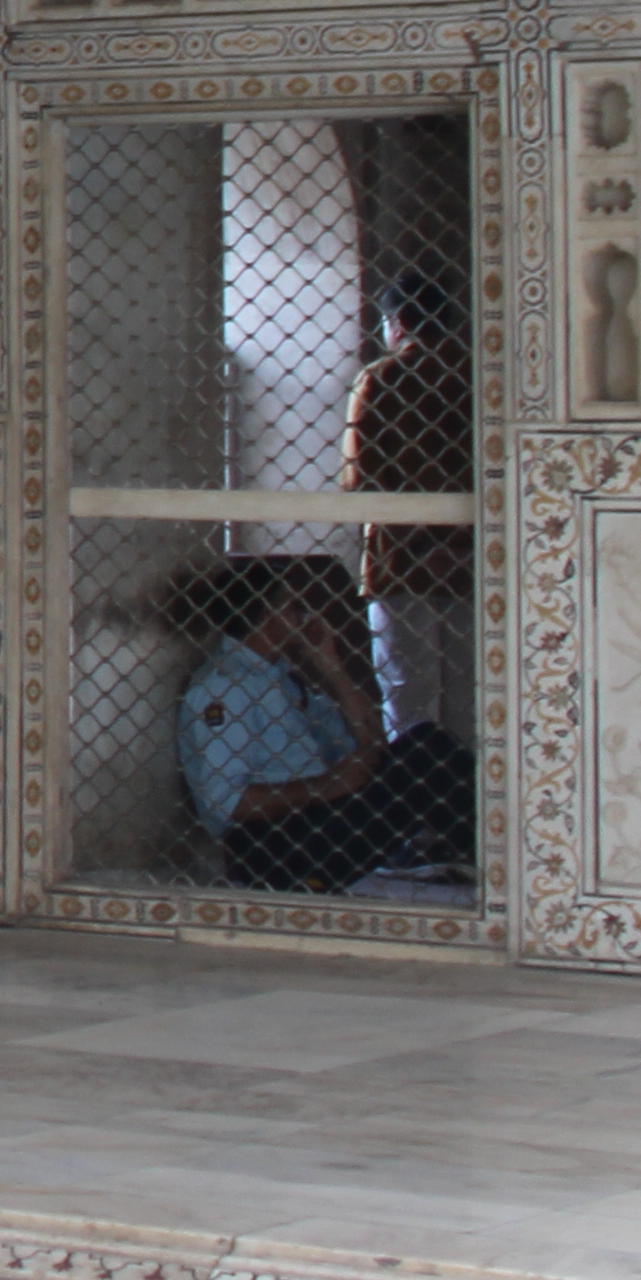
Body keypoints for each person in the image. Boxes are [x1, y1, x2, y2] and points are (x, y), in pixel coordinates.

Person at [172, 553, 473, 893]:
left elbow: (369, 747)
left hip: (320, 815)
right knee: (427, 757)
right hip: (274, 842)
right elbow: (226, 801)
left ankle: (488, 847)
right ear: (269, 616)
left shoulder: (282, 678)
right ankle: (498, 850)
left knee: (425, 744)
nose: (304, 616)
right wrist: (327, 786)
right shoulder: (223, 686)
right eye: (293, 606)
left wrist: (333, 669)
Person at [343, 271, 474, 757]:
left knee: (408, 698)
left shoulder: (381, 379)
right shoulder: (476, 378)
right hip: (472, 560)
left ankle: (417, 811)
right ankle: (468, 812)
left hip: (402, 563)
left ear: (397, 324)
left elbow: (359, 479)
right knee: (469, 695)